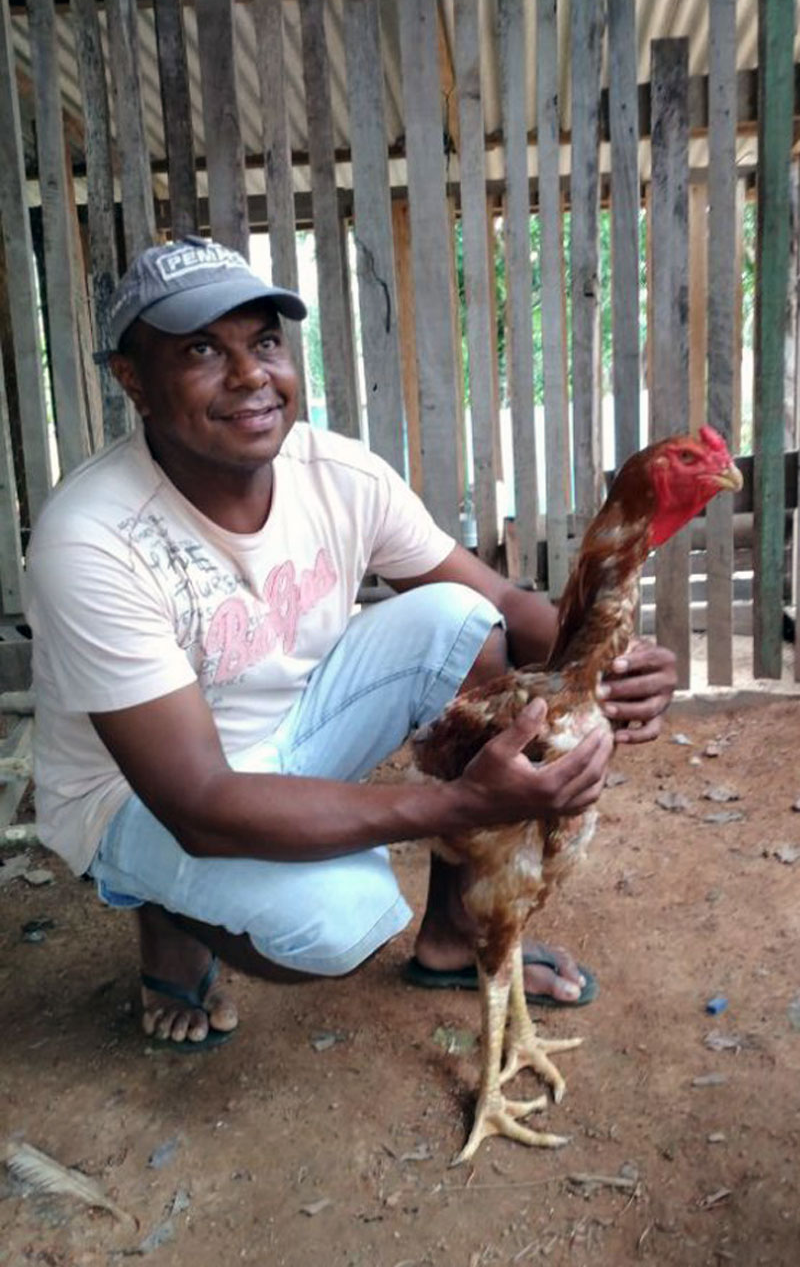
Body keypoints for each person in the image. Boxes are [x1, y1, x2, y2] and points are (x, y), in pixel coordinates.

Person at [25, 236, 677, 1050]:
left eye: (263, 341)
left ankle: (449, 936)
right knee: (339, 923)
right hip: (147, 794)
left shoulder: (336, 472)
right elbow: (198, 801)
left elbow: (504, 603)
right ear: (134, 382)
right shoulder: (91, 540)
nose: (250, 376)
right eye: (201, 350)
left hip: (293, 736)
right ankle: (168, 908)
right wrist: (461, 804)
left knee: (461, 621)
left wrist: (609, 660)